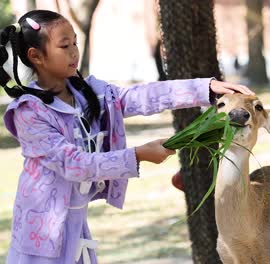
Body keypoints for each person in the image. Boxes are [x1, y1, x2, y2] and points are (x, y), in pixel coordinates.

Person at [0, 10, 255, 264]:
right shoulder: (29, 112)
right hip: (41, 236)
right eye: (64, 45)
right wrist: (138, 155)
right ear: (36, 56)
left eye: (75, 42)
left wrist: (204, 88)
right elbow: (74, 164)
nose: (74, 51)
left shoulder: (88, 92)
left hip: (75, 225)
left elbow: (142, 96)